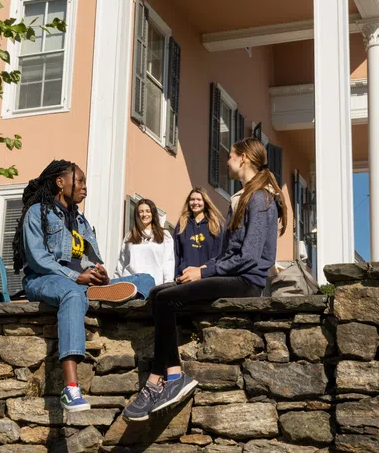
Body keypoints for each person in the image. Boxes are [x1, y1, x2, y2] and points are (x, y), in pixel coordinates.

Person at [122, 138, 288, 421]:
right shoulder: (247, 196)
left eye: (231, 155)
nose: (227, 161)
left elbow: (248, 257)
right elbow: (227, 254)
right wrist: (197, 271)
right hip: (232, 274)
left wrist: (204, 272)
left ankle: (159, 380)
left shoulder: (260, 197)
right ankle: (172, 375)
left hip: (246, 281)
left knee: (166, 298)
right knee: (160, 293)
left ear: (244, 158)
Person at [13, 159, 155, 413]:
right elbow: (38, 258)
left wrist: (99, 271)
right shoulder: (38, 213)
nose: (85, 187)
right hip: (45, 279)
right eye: (80, 181)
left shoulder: (80, 221)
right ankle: (70, 388)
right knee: (72, 294)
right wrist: (75, 277)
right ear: (60, 182)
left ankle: (98, 292)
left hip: (84, 282)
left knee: (146, 280)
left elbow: (92, 257)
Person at [115, 198, 175, 286]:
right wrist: (116, 283)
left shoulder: (164, 235)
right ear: (137, 215)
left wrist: (168, 283)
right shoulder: (129, 235)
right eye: (141, 211)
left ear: (153, 213)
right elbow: (121, 262)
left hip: (155, 285)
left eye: (148, 211)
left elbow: (168, 261)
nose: (144, 214)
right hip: (131, 286)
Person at [173, 188, 224, 279]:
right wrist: (177, 274)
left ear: (205, 202)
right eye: (192, 199)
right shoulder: (182, 225)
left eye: (199, 199)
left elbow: (220, 253)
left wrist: (204, 270)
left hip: (207, 277)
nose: (195, 202)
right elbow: (176, 253)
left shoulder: (215, 225)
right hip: (185, 276)